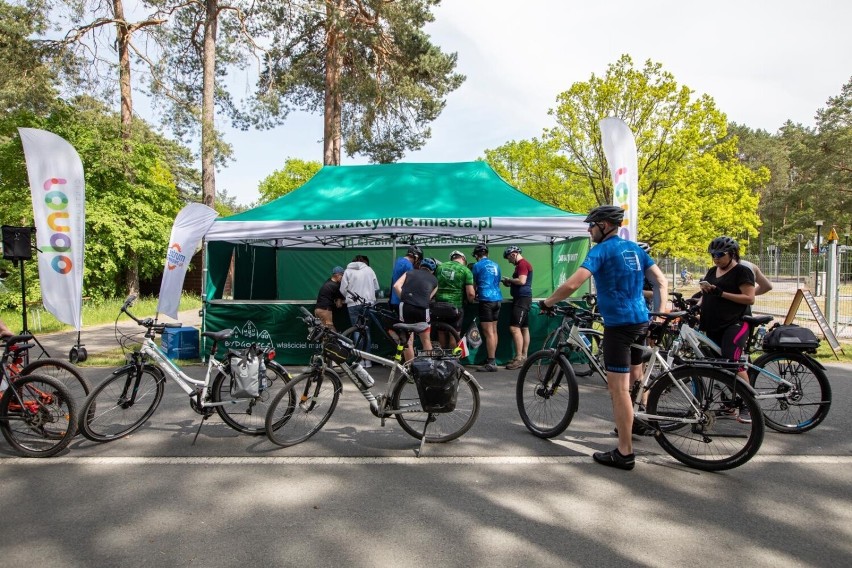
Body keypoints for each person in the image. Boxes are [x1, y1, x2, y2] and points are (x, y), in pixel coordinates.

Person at [539, 205, 667, 471]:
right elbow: (661, 281)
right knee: (635, 375)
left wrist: (549, 301)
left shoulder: (601, 251)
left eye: (592, 225)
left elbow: (573, 284)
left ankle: (625, 452)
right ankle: (637, 419)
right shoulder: (635, 249)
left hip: (619, 325)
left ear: (605, 225)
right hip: (641, 321)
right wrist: (661, 313)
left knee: (617, 389)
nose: (589, 229)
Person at [698, 236, 756, 421]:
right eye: (713, 255)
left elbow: (749, 298)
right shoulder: (712, 271)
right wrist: (696, 302)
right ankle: (731, 403)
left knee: (733, 363)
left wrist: (721, 293)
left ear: (732, 254)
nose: (715, 258)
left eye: (719, 255)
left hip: (736, 323)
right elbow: (706, 295)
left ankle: (749, 405)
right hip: (714, 324)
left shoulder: (742, 271)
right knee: (720, 367)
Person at [393, 257, 439, 361]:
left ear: (419, 266)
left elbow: (396, 286)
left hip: (406, 307)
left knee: (408, 341)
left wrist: (405, 298)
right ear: (432, 271)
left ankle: (410, 369)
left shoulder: (409, 273)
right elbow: (428, 298)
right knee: (426, 340)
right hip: (422, 309)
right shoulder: (435, 281)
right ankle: (428, 367)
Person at [340, 255, 380, 367]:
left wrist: (349, 296)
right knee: (366, 331)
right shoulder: (369, 270)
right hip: (368, 304)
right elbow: (376, 287)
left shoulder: (348, 271)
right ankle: (368, 360)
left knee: (357, 331)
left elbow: (343, 289)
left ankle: (360, 360)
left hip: (353, 304)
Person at [434, 250, 475, 349]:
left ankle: (442, 359)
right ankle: (452, 361)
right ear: (463, 259)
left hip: (438, 306)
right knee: (454, 335)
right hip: (455, 307)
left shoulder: (440, 268)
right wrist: (470, 301)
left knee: (441, 333)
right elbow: (470, 293)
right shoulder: (466, 270)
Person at [471, 243, 502, 372]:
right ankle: (492, 358)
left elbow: (473, 283)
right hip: (497, 299)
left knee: (488, 332)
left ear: (477, 256)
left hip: (486, 299)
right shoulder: (496, 265)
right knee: (494, 331)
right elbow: (498, 280)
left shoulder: (477, 266)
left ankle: (491, 362)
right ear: (487, 254)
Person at [501, 245, 533, 370]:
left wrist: (510, 280)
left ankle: (519, 357)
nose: (509, 261)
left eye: (509, 258)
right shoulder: (521, 265)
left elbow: (521, 281)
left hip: (522, 299)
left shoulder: (522, 264)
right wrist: (509, 282)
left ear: (513, 254)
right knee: (524, 328)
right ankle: (524, 356)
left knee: (514, 328)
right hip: (522, 298)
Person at [389, 245, 422, 312]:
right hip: (402, 301)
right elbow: (411, 285)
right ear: (416, 257)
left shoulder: (399, 260)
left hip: (394, 300)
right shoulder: (408, 265)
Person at [314, 266, 346, 330]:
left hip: (317, 310)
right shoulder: (335, 286)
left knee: (323, 331)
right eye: (342, 275)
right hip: (325, 310)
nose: (343, 278)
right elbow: (339, 304)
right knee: (330, 330)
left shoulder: (328, 281)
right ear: (337, 275)